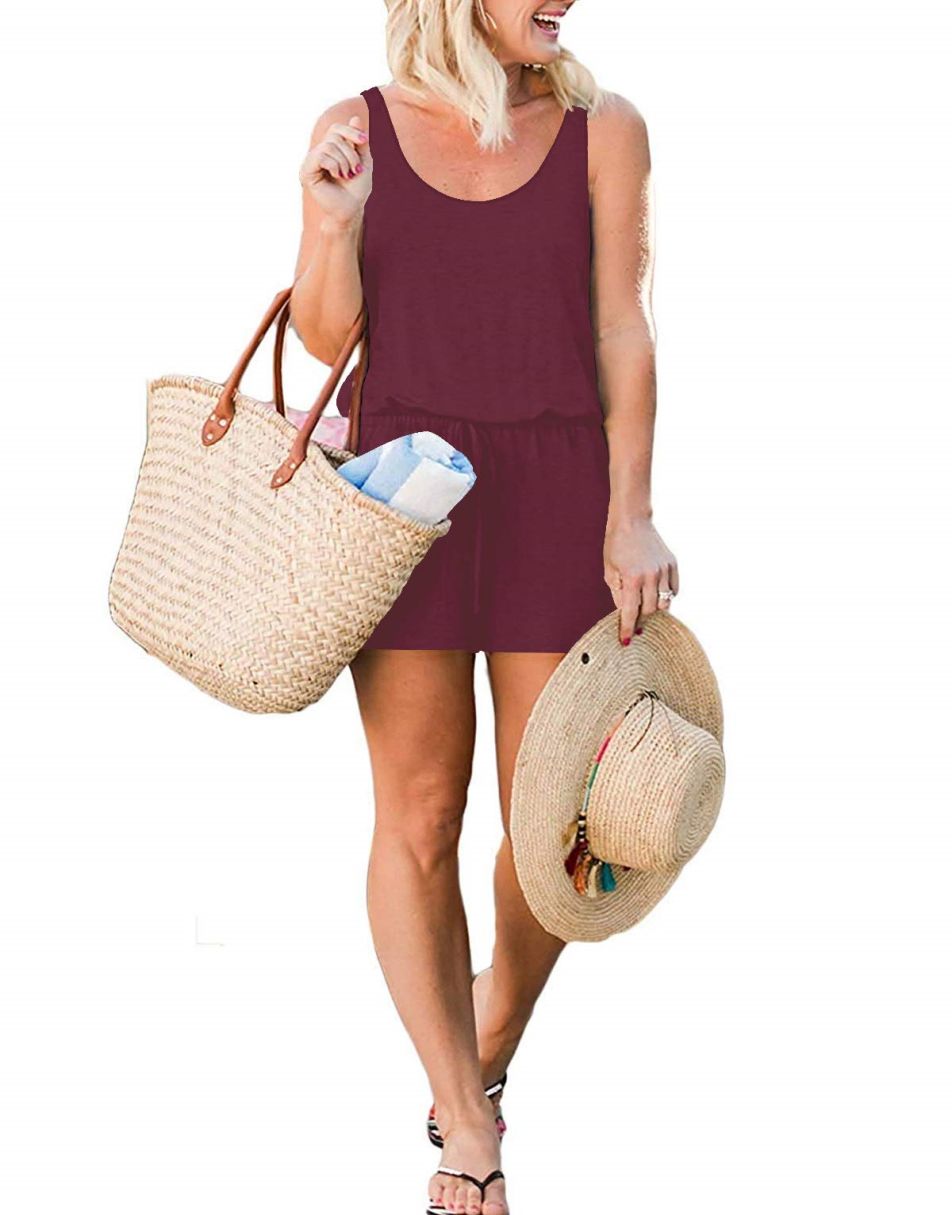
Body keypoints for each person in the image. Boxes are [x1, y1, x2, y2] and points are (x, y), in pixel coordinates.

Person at [290, 3, 678, 1211]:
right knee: (417, 813)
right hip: (402, 497)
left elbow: (621, 326)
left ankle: (493, 1022)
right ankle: (465, 1121)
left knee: (560, 826)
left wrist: (631, 511)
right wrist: (331, 219)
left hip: (558, 487)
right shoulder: (356, 126)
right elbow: (325, 337)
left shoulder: (603, 129)